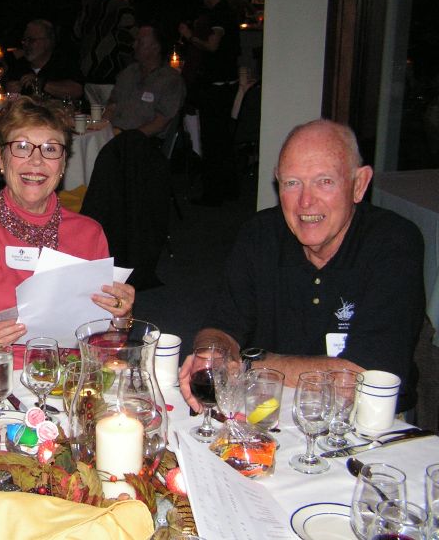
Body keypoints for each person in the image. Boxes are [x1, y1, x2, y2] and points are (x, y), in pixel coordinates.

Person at [179, 120, 425, 413]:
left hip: (367, 425)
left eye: (324, 181)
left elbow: (360, 379)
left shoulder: (393, 243)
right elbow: (222, 325)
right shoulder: (259, 235)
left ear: (359, 185)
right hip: (268, 411)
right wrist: (212, 353)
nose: (305, 201)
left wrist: (248, 366)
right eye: (292, 183)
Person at [0, 96, 135, 358]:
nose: (36, 161)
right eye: (22, 147)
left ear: (62, 165)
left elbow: (102, 341)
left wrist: (121, 317)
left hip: (67, 381)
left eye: (50, 149)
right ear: (1, 159)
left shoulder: (88, 234)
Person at [178, 0, 240, 206]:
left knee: (213, 141)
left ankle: (213, 194)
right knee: (222, 140)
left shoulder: (219, 14)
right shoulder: (228, 12)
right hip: (226, 84)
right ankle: (228, 189)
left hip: (216, 87)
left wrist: (188, 36)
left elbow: (212, 45)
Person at [100, 25, 185, 140]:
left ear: (155, 47)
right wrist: (101, 130)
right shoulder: (128, 73)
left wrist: (125, 137)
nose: (134, 45)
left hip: (142, 143)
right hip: (113, 137)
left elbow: (160, 123)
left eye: (140, 42)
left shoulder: (170, 81)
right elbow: (111, 106)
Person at [74, 0, 139, 106]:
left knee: (95, 122)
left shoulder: (91, 5)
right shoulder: (123, 9)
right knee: (112, 121)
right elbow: (132, 43)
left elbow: (77, 32)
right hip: (111, 78)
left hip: (87, 78)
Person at [5, 19, 83, 100]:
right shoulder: (20, 65)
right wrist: (10, 93)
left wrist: (41, 83)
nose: (26, 44)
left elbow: (77, 91)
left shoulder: (63, 62)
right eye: (24, 40)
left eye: (31, 40)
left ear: (48, 41)